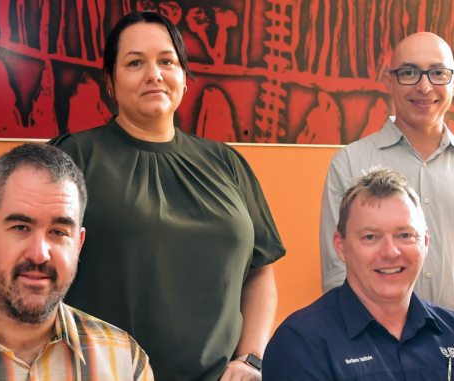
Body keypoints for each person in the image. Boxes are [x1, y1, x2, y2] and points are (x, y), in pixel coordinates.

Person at [48, 11, 285, 381]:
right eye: (135, 62)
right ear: (109, 82)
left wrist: (251, 359)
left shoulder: (227, 162)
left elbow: (260, 273)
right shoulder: (72, 158)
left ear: (184, 79)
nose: (154, 74)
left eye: (167, 61)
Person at [319, 32, 454, 339]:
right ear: (389, 81)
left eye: (438, 73)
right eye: (409, 72)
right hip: (375, 354)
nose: (424, 86)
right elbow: (337, 273)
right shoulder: (350, 163)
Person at [0, 143, 153, 380]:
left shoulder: (124, 364)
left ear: (78, 245)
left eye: (58, 232)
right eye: (21, 227)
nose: (39, 254)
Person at [264, 168, 454, 380]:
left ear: (425, 242)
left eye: (405, 235)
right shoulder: (301, 343)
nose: (391, 252)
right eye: (370, 237)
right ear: (340, 247)